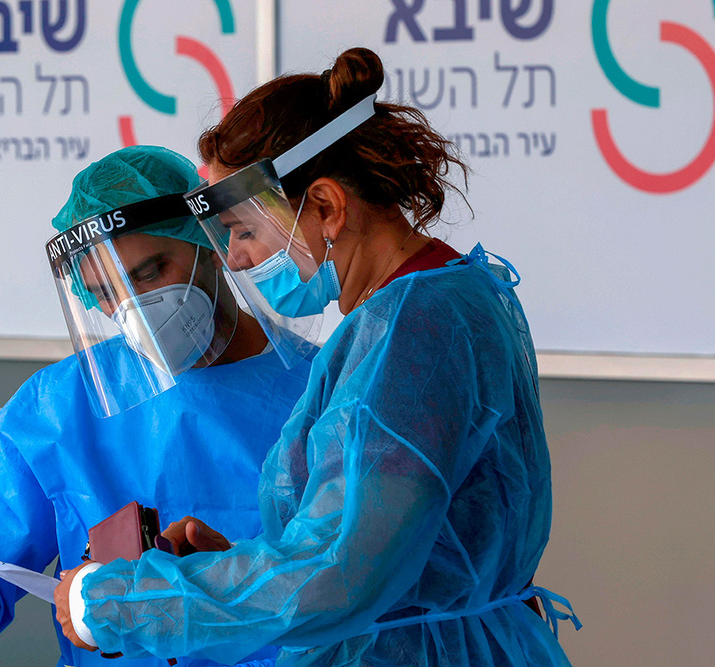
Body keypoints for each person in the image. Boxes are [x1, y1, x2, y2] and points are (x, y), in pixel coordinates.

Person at [55, 48, 579, 666]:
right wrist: (226, 568)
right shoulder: (421, 307)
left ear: (326, 207)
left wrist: (116, 602)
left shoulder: (415, 330)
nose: (238, 260)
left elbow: (339, 574)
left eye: (244, 231)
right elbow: (377, 545)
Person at [0, 145, 314, 667]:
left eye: (152, 271)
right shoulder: (62, 409)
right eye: (107, 291)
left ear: (211, 242)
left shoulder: (322, 389)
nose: (134, 307)